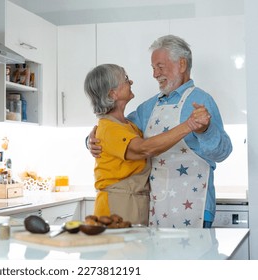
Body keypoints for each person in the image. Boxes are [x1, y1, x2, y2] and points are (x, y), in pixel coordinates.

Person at [87, 35, 232, 228]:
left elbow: (223, 152)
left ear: (181, 64)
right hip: (156, 209)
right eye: (153, 68)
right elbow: (115, 130)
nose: (155, 74)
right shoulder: (149, 107)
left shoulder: (202, 100)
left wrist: (205, 130)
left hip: (194, 205)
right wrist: (90, 141)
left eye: (160, 67)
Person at [84, 63, 210, 226]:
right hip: (118, 205)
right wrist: (189, 125)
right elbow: (145, 148)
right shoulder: (109, 128)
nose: (131, 82)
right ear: (113, 93)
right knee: (121, 250)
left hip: (135, 201)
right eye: (126, 79)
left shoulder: (128, 124)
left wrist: (89, 141)